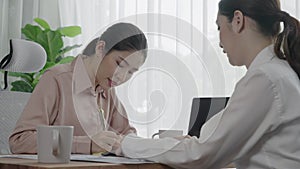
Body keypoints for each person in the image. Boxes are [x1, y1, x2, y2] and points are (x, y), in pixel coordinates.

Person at [111, 0, 300, 168]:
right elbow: (211, 141)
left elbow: (201, 155)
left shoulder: (265, 78)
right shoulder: (277, 72)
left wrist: (127, 144)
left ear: (238, 20)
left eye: (219, 27)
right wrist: (186, 143)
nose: (219, 42)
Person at [9, 22, 148, 154]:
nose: (122, 77)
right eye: (120, 64)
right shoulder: (57, 79)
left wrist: (133, 144)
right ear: (100, 48)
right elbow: (20, 140)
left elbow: (126, 134)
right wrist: (86, 144)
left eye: (131, 72)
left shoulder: (107, 89)